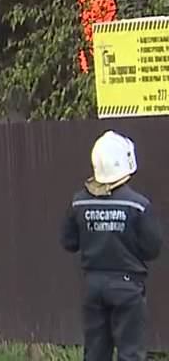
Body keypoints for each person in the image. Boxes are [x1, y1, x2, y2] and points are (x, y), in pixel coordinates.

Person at [61, 131, 162, 361]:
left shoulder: (78, 202)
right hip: (128, 287)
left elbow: (68, 242)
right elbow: (152, 248)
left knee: (95, 352)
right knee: (130, 353)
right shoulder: (138, 205)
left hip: (92, 286)